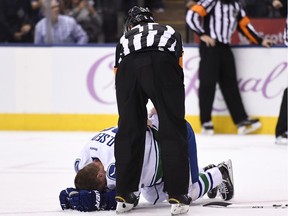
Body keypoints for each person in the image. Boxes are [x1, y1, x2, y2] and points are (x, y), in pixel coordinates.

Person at [59, 112, 234, 212]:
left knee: (187, 191)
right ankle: (203, 173)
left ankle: (220, 173)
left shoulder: (114, 166)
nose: (106, 188)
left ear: (100, 174)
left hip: (176, 137)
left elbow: (128, 201)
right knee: (153, 197)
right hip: (158, 152)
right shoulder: (83, 161)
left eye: (102, 185)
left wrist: (98, 200)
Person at [113, 6, 191, 215]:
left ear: (131, 23)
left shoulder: (124, 39)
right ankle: (177, 194)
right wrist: (165, 105)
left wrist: (133, 116)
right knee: (172, 128)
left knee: (128, 130)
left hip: (128, 69)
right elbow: (178, 69)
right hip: (163, 63)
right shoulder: (170, 31)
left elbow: (118, 76)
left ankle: (125, 193)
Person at [186, 0, 274, 135]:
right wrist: (202, 34)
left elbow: (244, 25)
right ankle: (206, 122)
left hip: (225, 47)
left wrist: (260, 40)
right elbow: (191, 15)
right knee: (208, 83)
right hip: (211, 47)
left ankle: (241, 121)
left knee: (230, 84)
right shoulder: (211, 2)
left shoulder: (236, 5)